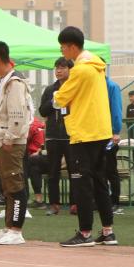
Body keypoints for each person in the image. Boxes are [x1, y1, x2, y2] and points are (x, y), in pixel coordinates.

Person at [53, 27, 116, 247]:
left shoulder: (80, 70)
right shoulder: (97, 67)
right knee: (100, 182)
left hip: (84, 132)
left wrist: (57, 94)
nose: (62, 52)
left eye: (63, 47)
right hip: (101, 131)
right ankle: (108, 231)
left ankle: (85, 232)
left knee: (81, 184)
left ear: (72, 46)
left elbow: (60, 99)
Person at [0, 41, 32, 246]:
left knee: (14, 183)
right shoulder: (2, 81)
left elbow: (17, 113)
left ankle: (16, 230)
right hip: (1, 140)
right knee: (6, 185)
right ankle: (8, 226)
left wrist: (10, 138)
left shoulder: (14, 82)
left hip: (11, 141)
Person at [39, 58, 74, 215]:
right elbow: (42, 111)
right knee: (53, 171)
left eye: (62, 67)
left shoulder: (75, 87)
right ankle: (54, 204)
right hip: (53, 136)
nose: (58, 71)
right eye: (57, 68)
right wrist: (54, 101)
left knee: (74, 171)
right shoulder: (50, 89)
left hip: (71, 135)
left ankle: (75, 203)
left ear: (70, 70)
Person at [103, 69, 124, 215]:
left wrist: (116, 131)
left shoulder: (111, 86)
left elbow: (116, 109)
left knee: (110, 169)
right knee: (100, 170)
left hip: (109, 134)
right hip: (97, 134)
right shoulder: (94, 86)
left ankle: (115, 201)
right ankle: (104, 201)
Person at [25, 118, 47, 207]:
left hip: (45, 158)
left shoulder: (32, 125)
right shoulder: (38, 124)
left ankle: (22, 197)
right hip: (39, 158)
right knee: (34, 169)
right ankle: (39, 200)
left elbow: (24, 139)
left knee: (24, 166)